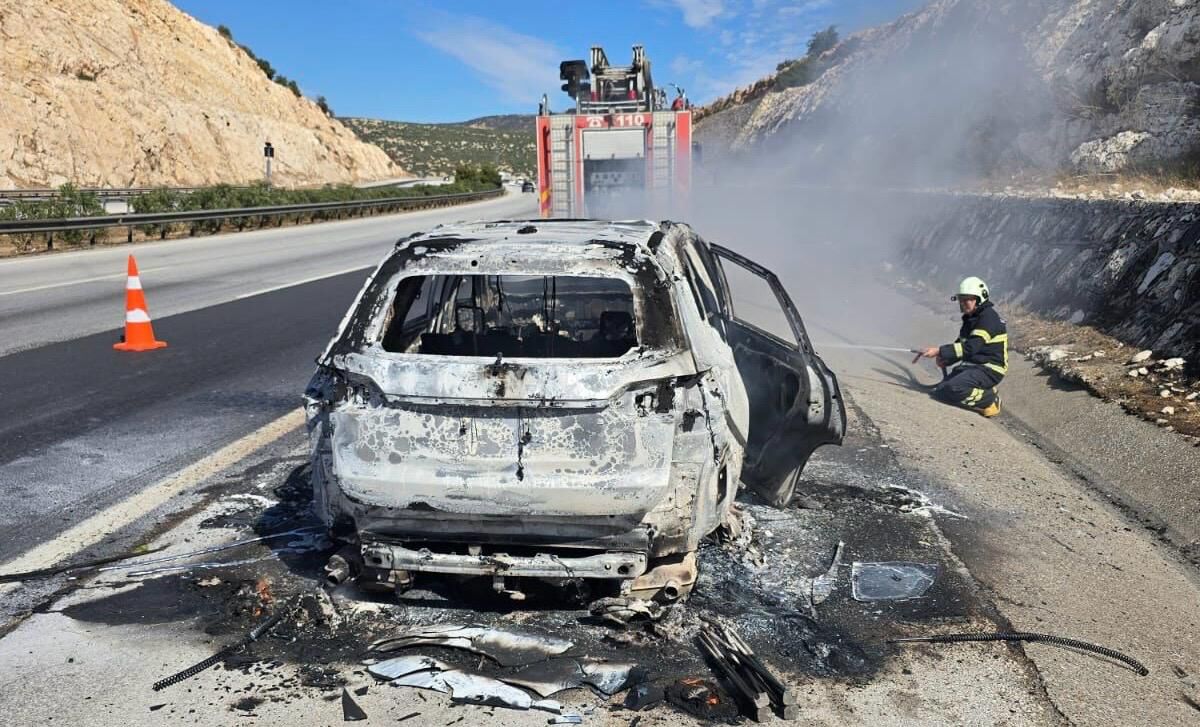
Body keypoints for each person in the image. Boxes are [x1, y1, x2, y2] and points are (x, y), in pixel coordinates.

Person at [914, 276, 1008, 417]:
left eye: (967, 299)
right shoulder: (971, 318)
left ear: (980, 298)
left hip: (989, 368)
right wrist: (946, 359)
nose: (963, 303)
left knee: (955, 388)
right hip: (972, 366)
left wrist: (940, 351)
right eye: (961, 299)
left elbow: (971, 347)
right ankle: (981, 392)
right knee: (941, 392)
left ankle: (990, 398)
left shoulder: (988, 318)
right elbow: (961, 344)